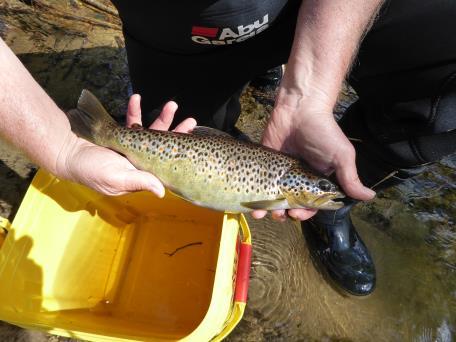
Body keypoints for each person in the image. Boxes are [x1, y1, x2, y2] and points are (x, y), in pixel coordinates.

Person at [0, 0, 455, 297]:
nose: (318, 187)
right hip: (179, 23)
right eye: (318, 190)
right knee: (187, 117)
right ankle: (246, 69)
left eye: (317, 189)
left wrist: (310, 94)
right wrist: (60, 145)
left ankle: (330, 207)